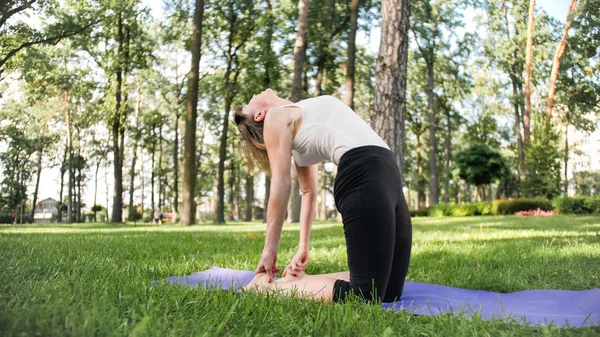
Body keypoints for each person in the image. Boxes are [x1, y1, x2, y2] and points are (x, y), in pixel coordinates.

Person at [234, 88, 412, 304]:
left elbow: (308, 191)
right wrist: (269, 249)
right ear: (259, 115)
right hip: (362, 174)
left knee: (391, 291)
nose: (253, 94)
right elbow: (281, 182)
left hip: (388, 173)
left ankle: (298, 283)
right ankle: (265, 289)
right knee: (365, 296)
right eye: (249, 102)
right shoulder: (275, 116)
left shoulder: (299, 116)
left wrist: (303, 247)